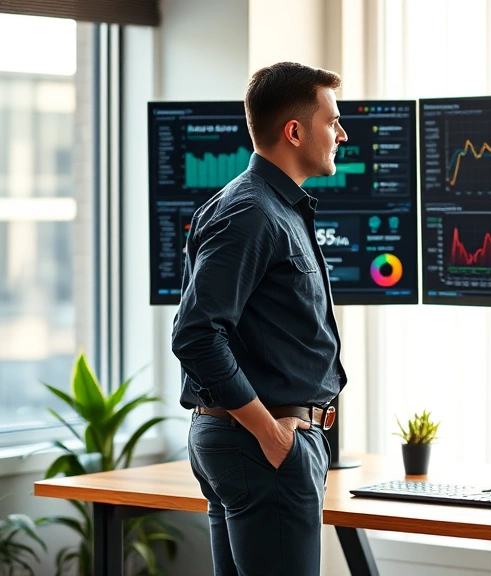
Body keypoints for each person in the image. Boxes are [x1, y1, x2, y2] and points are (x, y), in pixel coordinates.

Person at [171, 61, 348, 576]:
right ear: (294, 131)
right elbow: (196, 334)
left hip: (248, 441)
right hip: (261, 443)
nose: (341, 134)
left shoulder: (270, 207)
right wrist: (270, 434)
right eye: (332, 120)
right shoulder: (253, 213)